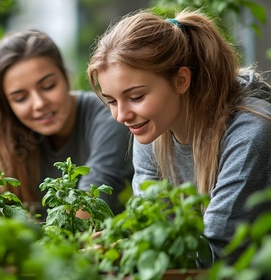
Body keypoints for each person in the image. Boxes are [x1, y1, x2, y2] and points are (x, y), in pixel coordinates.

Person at [87, 9, 271, 263]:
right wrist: (119, 242)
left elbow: (216, 255)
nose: (121, 116)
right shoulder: (153, 129)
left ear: (181, 79)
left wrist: (125, 253)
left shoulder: (248, 136)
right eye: (111, 101)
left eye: (136, 97)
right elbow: (152, 228)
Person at [0, 30, 133, 217]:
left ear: (66, 77)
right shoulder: (5, 138)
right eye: (20, 98)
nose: (39, 103)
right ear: (7, 105)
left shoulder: (110, 115)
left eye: (48, 86)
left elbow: (92, 198)